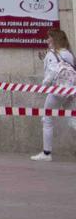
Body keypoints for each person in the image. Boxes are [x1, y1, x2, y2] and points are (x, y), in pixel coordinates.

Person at [33, 26, 76, 160]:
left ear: (54, 39)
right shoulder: (69, 53)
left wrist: (44, 86)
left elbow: (52, 72)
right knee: (73, 120)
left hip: (56, 91)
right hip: (70, 90)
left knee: (47, 119)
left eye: (48, 37)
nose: (46, 40)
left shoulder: (52, 53)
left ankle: (46, 153)